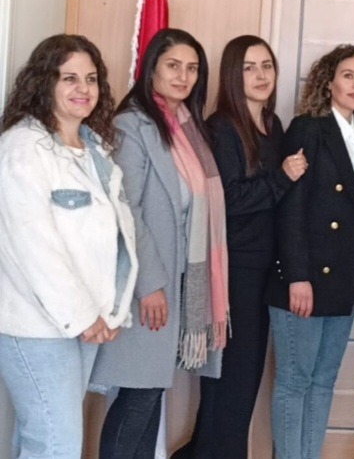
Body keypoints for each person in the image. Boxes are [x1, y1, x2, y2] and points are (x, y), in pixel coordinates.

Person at [91, 28, 228, 459]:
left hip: (178, 280)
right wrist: (149, 283)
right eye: (173, 66)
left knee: (149, 394)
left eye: (192, 68)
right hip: (147, 284)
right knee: (138, 395)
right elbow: (125, 210)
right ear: (152, 68)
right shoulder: (131, 125)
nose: (183, 76)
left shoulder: (187, 128)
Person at [0, 34, 137, 459]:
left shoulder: (95, 149)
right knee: (56, 444)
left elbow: (118, 239)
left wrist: (110, 311)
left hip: (84, 322)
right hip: (37, 325)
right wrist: (82, 315)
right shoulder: (23, 148)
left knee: (42, 438)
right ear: (45, 83)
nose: (84, 89)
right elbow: (34, 249)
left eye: (91, 79)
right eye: (70, 78)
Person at [174, 35, 307, 458]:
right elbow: (227, 200)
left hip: (265, 270)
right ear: (233, 73)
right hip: (234, 272)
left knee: (243, 382)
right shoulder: (223, 127)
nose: (261, 75)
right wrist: (282, 177)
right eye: (249, 67)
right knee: (231, 381)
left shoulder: (272, 124)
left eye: (267, 66)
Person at [272, 43, 354, 459]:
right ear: (328, 82)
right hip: (305, 280)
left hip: (342, 285)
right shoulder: (308, 129)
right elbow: (291, 209)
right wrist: (297, 276)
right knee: (294, 381)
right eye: (348, 76)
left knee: (322, 382)